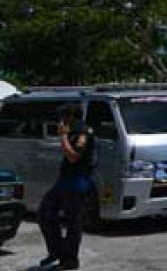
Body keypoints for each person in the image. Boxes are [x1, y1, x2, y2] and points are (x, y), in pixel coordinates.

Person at [38, 103, 95, 270]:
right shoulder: (72, 131)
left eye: (63, 117)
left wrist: (63, 137)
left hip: (77, 183)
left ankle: (70, 261)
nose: (61, 121)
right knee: (45, 214)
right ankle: (56, 251)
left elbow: (73, 157)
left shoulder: (83, 132)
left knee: (73, 223)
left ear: (70, 117)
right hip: (64, 182)